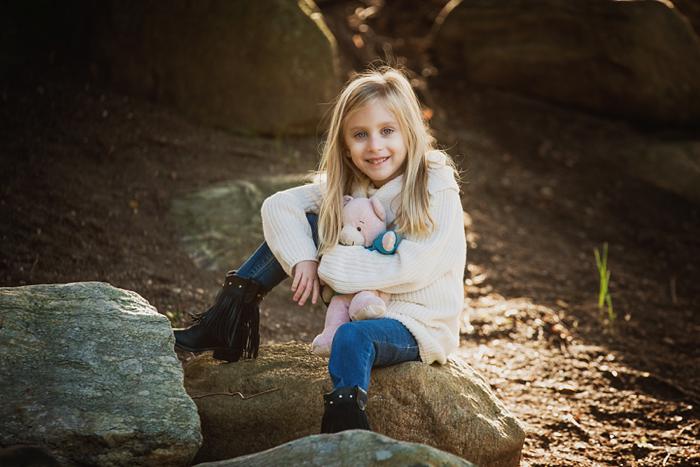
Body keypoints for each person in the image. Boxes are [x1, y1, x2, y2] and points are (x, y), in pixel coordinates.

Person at [174, 66, 466, 433]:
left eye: (387, 131)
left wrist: (327, 263)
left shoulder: (434, 185)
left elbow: (413, 268)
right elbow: (279, 206)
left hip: (417, 322)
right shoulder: (350, 185)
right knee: (311, 222)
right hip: (363, 304)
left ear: (410, 132)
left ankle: (345, 421)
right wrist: (304, 258)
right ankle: (227, 319)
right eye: (360, 134)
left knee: (351, 337)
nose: (375, 146)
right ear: (344, 144)